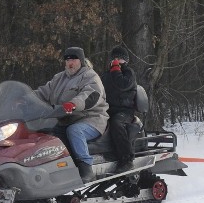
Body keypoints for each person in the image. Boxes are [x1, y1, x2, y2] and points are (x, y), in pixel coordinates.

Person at [34, 46, 109, 183]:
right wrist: (25, 98)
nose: (70, 62)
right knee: (42, 132)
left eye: (74, 59)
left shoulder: (90, 76)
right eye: (67, 59)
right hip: (65, 119)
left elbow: (90, 96)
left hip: (91, 119)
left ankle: (86, 168)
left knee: (75, 131)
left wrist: (74, 104)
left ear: (81, 60)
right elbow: (43, 92)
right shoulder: (59, 78)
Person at [100, 44, 138, 172]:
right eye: (114, 59)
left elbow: (122, 85)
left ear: (125, 61)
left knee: (116, 123)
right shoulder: (106, 75)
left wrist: (116, 69)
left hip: (125, 111)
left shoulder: (129, 73)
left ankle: (127, 159)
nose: (116, 61)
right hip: (108, 109)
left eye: (120, 59)